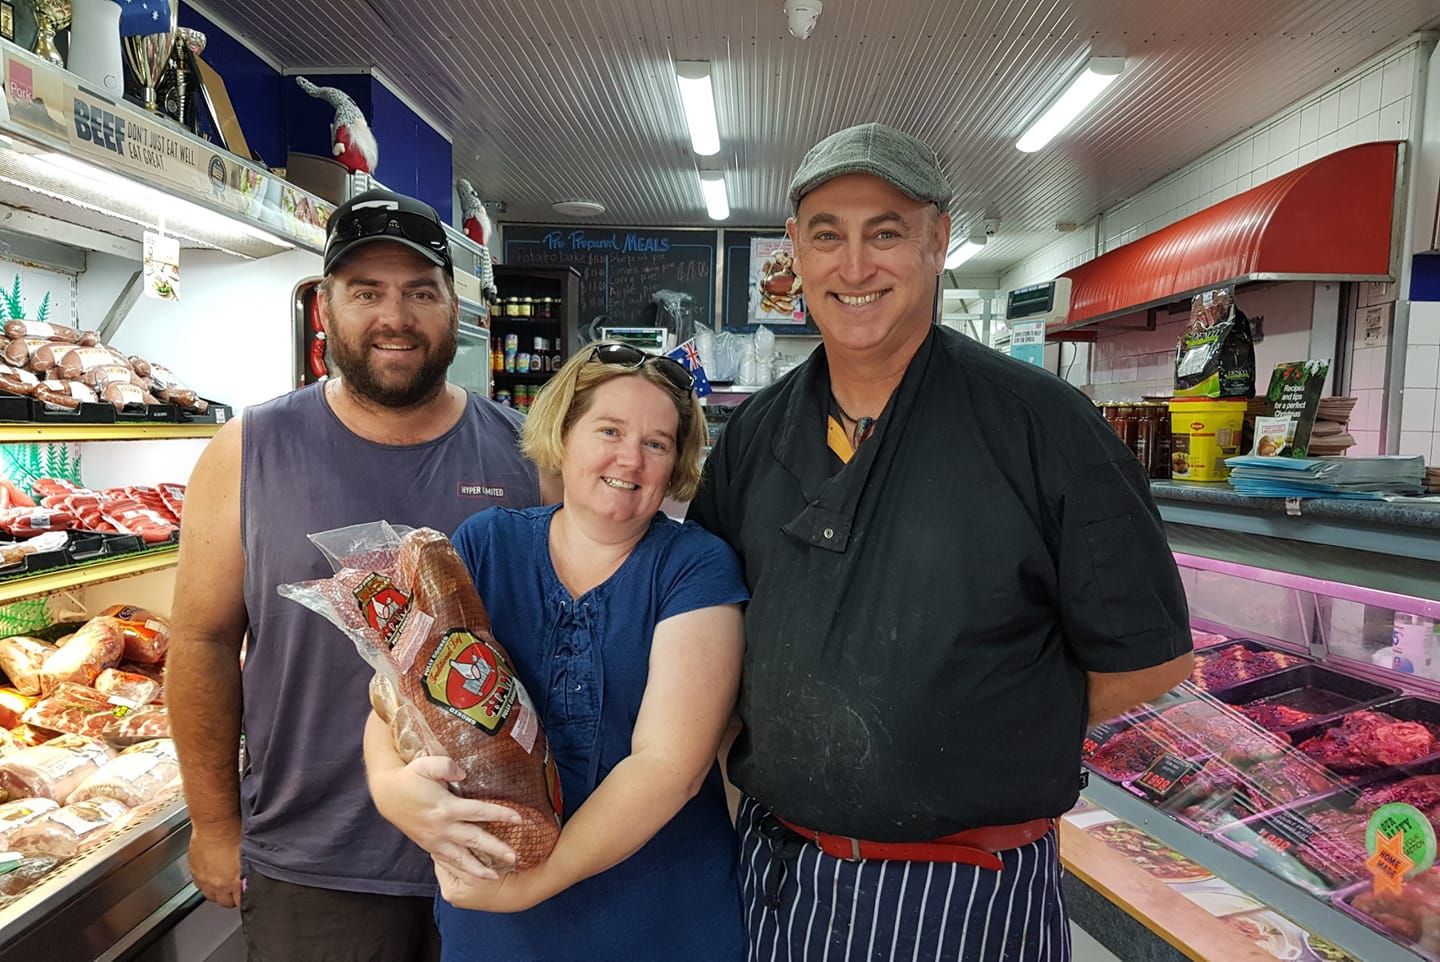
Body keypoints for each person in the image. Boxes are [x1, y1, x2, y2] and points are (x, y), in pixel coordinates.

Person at [686, 123, 1195, 962]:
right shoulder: (755, 437)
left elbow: (1149, 658)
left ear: (938, 240)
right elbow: (706, 633)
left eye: (885, 232)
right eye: (827, 236)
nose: (854, 266)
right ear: (795, 257)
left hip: (968, 893)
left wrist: (972, 736)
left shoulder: (1045, 427)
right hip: (778, 874)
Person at [167, 188, 557, 962]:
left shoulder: (526, 455)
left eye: (420, 291)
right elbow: (203, 644)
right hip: (316, 863)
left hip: (499, 853)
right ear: (326, 308)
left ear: (454, 307)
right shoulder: (247, 451)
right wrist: (213, 825)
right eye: (366, 292)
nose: (396, 317)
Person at [365, 341, 749, 962]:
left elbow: (667, 768)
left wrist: (529, 888)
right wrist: (391, 789)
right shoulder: (485, 545)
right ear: (563, 434)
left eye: (657, 442)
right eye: (610, 430)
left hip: (657, 919)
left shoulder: (696, 567)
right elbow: (398, 699)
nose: (632, 458)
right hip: (495, 926)